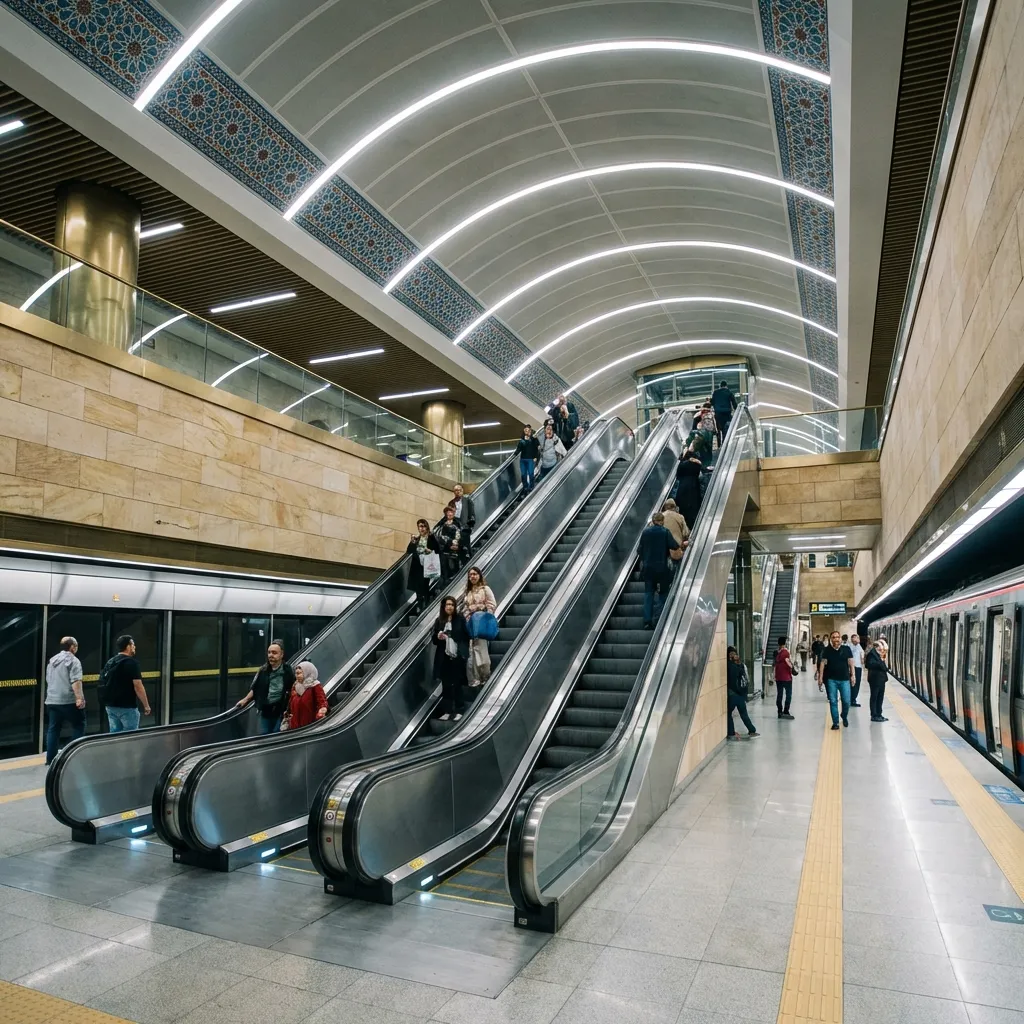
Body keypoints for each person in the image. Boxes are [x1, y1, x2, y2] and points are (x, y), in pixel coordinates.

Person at [236, 640, 295, 734]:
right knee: (265, 736)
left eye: (274, 653)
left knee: (277, 735)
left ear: (282, 654)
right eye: (269, 652)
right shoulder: (263, 671)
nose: (271, 655)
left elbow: (294, 688)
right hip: (266, 710)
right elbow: (255, 688)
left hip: (281, 711)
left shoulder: (288, 671)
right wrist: (245, 700)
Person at [44, 637, 85, 764]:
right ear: (72, 647)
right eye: (76, 646)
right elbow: (75, 681)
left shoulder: (52, 660)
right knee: (80, 725)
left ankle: (50, 759)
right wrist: (79, 698)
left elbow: (48, 679)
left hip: (52, 700)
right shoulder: (73, 660)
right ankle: (72, 755)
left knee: (53, 729)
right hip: (68, 700)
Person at [639, 511, 680, 629]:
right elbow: (675, 546)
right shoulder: (665, 532)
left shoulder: (645, 532)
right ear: (662, 521)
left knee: (648, 594)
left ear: (653, 521)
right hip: (662, 569)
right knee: (662, 593)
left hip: (648, 569)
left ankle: (647, 621)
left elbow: (639, 551)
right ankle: (658, 620)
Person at [101, 635, 151, 733]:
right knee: (130, 736)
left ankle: (115, 749)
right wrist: (146, 705)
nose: (134, 647)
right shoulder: (132, 663)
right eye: (133, 645)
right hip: (127, 707)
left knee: (115, 735)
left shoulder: (110, 662)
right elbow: (138, 686)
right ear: (128, 646)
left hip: (111, 706)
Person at [433, 595, 470, 721]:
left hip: (457, 656)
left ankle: (459, 710)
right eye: (447, 605)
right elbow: (434, 640)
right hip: (444, 657)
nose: (449, 607)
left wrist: (452, 636)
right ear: (443, 606)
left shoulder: (459, 619)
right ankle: (447, 711)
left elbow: (466, 636)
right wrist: (438, 636)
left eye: (452, 605)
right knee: (446, 685)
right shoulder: (439, 621)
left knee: (458, 683)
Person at [463, 567, 497, 688]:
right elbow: (465, 608)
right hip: (472, 624)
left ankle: (485, 675)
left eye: (475, 574)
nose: (472, 576)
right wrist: (467, 617)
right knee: (473, 650)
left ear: (479, 575)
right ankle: (477, 677)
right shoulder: (468, 592)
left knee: (481, 648)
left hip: (482, 623)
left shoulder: (485, 589)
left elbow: (492, 604)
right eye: (470, 575)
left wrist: (485, 614)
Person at [817, 631, 855, 730]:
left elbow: (851, 662)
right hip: (831, 680)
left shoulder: (846, 649)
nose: (836, 639)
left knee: (846, 701)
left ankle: (844, 715)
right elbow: (822, 664)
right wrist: (820, 678)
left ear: (840, 639)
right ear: (831, 639)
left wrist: (853, 675)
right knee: (833, 701)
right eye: (834, 637)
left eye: (838, 637)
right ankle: (835, 723)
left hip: (845, 679)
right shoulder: (827, 650)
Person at [407, 518, 441, 613]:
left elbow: (438, 549)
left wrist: (431, 551)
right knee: (417, 586)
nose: (421, 529)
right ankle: (419, 603)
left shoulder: (431, 537)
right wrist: (413, 543)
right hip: (417, 564)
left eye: (423, 526)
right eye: (419, 527)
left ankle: (426, 600)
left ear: (427, 527)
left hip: (427, 563)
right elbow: (409, 551)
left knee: (424, 584)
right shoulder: (417, 539)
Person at [283, 660, 327, 730]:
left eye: (300, 673)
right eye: (296, 673)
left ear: (307, 672)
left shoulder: (315, 685)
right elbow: (291, 700)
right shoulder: (295, 685)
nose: (297, 676)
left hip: (310, 724)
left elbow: (321, 700)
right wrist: (288, 712)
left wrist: (322, 709)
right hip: (295, 724)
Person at [727, 647, 759, 739]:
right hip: (741, 695)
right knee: (744, 713)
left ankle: (731, 732)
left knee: (728, 713)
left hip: (732, 694)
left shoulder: (728, 666)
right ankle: (752, 730)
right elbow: (746, 680)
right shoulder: (741, 665)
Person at [673, 447, 703, 529]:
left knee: (684, 507)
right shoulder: (697, 465)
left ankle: (685, 526)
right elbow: (699, 475)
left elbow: (678, 476)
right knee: (693, 507)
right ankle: (694, 526)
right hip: (694, 487)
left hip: (682, 488)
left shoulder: (682, 465)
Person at [661, 499, 690, 573]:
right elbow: (686, 533)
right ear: (674, 507)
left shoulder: (660, 517)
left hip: (662, 549)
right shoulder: (680, 517)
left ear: (665, 507)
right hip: (675, 548)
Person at [436, 504, 462, 582]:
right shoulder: (442, 523)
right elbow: (438, 534)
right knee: (444, 565)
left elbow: (460, 535)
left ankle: (454, 576)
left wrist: (456, 543)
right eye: (447, 512)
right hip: (444, 548)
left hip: (453, 548)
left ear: (453, 513)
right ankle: (445, 579)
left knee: (453, 563)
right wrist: (448, 541)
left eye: (451, 512)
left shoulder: (457, 523)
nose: (449, 514)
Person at [451, 484, 475, 565]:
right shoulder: (451, 502)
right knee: (458, 546)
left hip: (465, 526)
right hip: (455, 526)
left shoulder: (467, 501)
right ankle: (461, 562)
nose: (458, 492)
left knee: (466, 544)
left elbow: (472, 514)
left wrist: (471, 526)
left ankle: (471, 561)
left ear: (462, 491)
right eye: (456, 490)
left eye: (459, 490)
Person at [865, 639, 888, 722]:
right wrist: (880, 663)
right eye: (881, 647)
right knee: (874, 697)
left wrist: (882, 663)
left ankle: (879, 714)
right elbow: (869, 665)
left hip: (881, 679)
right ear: (877, 647)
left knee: (880, 697)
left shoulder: (879, 655)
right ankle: (874, 715)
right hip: (875, 679)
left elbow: (885, 668)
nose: (882, 649)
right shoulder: (871, 654)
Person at [774, 636, 796, 720]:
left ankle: (779, 711)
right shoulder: (786, 652)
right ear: (785, 643)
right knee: (788, 694)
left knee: (779, 694)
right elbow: (788, 662)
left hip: (778, 677)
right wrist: (793, 668)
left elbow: (775, 663)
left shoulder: (776, 652)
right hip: (786, 677)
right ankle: (786, 711)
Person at [515, 425, 541, 494]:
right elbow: (518, 450)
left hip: (530, 459)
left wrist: (536, 457)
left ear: (530, 431)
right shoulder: (522, 441)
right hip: (523, 460)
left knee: (531, 473)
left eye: (528, 430)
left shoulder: (533, 439)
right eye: (525, 430)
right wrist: (514, 455)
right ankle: (525, 487)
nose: (527, 432)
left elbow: (537, 448)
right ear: (524, 431)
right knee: (523, 474)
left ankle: (531, 486)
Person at [849, 633, 864, 707]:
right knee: (853, 684)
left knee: (857, 683)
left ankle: (853, 699)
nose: (857, 640)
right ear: (852, 639)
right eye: (855, 638)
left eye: (857, 638)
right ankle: (852, 700)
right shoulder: (850, 646)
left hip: (859, 667)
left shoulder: (859, 646)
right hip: (853, 667)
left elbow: (861, 655)